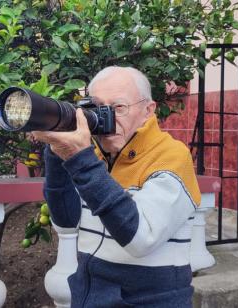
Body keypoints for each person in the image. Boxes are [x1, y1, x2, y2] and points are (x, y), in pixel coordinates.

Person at [33, 66, 201, 307]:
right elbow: (66, 221)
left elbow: (141, 237)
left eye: (118, 107)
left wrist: (81, 160)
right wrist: (56, 153)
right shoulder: (94, 157)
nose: (106, 117)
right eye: (98, 107)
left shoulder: (172, 157)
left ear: (148, 110)